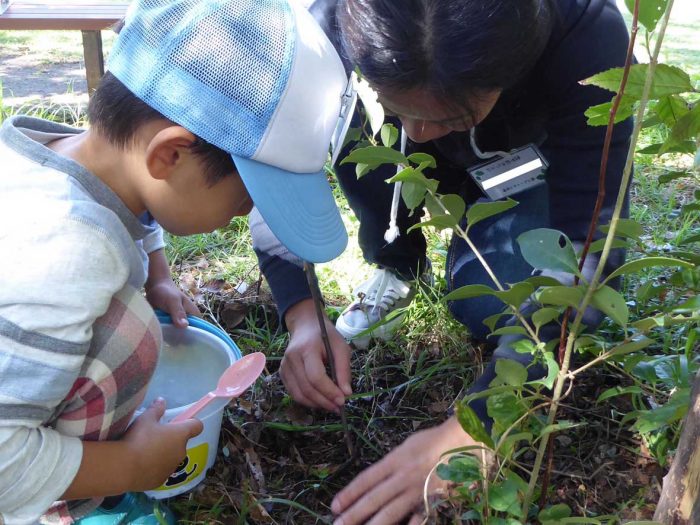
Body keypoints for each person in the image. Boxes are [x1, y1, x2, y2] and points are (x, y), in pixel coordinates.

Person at [250, 0, 634, 523]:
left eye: (451, 115)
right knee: (361, 131)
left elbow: (588, 240)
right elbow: (272, 172)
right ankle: (397, 260)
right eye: (394, 102)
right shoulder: (326, 31)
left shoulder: (587, 33)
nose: (417, 134)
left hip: (519, 167)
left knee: (493, 306)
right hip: (433, 152)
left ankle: (479, 223)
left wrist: (480, 420)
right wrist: (300, 312)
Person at [0, 0, 351, 523]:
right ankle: (64, 507)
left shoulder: (61, 158)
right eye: (245, 196)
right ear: (170, 155)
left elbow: (138, 213)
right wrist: (128, 466)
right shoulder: (67, 252)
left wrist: (158, 275)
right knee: (133, 335)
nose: (247, 213)